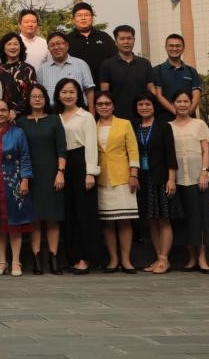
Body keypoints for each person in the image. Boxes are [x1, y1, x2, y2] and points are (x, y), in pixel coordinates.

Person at [0, 98, 34, 276]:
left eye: (3, 110)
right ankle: (2, 262)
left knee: (15, 224)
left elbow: (25, 157)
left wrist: (25, 179)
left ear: (9, 112)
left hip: (14, 184)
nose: (0, 113)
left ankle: (16, 261)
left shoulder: (18, 133)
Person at [17, 84, 66, 275]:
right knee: (35, 219)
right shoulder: (21, 122)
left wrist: (60, 171)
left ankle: (54, 259)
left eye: (41, 96)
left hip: (52, 174)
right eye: (33, 96)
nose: (37, 99)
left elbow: (61, 148)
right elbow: (19, 150)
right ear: (28, 100)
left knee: (53, 218)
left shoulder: (54, 120)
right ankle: (36, 260)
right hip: (30, 175)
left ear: (46, 99)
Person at [55, 78, 99, 275]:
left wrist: (90, 172)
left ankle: (85, 257)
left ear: (78, 95)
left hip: (81, 162)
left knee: (83, 212)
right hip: (62, 164)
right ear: (58, 95)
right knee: (68, 212)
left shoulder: (86, 116)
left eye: (72, 92)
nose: (68, 95)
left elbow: (91, 145)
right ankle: (72, 257)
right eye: (64, 92)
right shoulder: (55, 117)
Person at [169, 90, 209, 273]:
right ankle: (191, 258)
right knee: (184, 220)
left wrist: (204, 172)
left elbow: (206, 151)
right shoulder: (168, 126)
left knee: (202, 218)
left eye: (185, 101)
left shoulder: (199, 124)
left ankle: (203, 258)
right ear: (173, 104)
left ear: (191, 104)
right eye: (178, 101)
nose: (182, 104)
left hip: (198, 179)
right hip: (179, 180)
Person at [133, 94, 180, 274]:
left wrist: (171, 179)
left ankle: (164, 258)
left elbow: (170, 154)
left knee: (163, 219)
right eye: (140, 104)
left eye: (148, 104)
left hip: (160, 178)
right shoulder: (134, 127)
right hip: (142, 178)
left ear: (154, 107)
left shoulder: (163, 126)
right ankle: (158, 256)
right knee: (151, 220)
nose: (144, 107)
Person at [93, 94, 140, 273]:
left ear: (113, 106)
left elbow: (133, 150)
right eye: (100, 104)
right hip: (102, 178)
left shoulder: (124, 123)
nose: (104, 106)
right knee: (107, 222)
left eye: (107, 103)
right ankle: (113, 259)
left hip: (123, 177)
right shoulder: (92, 126)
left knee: (124, 220)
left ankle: (126, 260)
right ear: (95, 107)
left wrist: (133, 173)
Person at [98, 25, 155, 123]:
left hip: (142, 117)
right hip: (117, 118)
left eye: (129, 38)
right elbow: (104, 94)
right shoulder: (107, 65)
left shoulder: (145, 63)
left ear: (134, 40)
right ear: (116, 42)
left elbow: (151, 90)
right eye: (122, 39)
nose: (126, 42)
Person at [39, 33, 96, 112]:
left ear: (67, 45)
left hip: (78, 111)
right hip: (52, 113)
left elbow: (89, 90)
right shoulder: (42, 69)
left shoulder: (81, 64)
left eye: (59, 43)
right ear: (48, 48)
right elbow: (40, 93)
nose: (56, 47)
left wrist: (92, 112)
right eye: (52, 45)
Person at [152, 34, 202, 120]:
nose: (174, 49)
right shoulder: (157, 70)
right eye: (171, 46)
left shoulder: (191, 71)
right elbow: (158, 95)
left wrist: (187, 113)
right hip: (164, 121)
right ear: (166, 48)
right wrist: (177, 113)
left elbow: (196, 97)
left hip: (189, 120)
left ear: (183, 48)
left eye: (178, 46)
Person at [65, 2, 117, 85]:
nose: (83, 18)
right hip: (77, 87)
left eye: (86, 15)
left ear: (92, 18)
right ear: (73, 19)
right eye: (79, 15)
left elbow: (115, 60)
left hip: (104, 86)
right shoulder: (67, 40)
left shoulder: (104, 37)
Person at [0, 33, 36, 116]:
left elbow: (32, 94)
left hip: (24, 116)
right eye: (9, 44)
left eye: (16, 44)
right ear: (3, 48)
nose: (12, 47)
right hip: (1, 115)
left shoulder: (28, 69)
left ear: (21, 47)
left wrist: (15, 111)